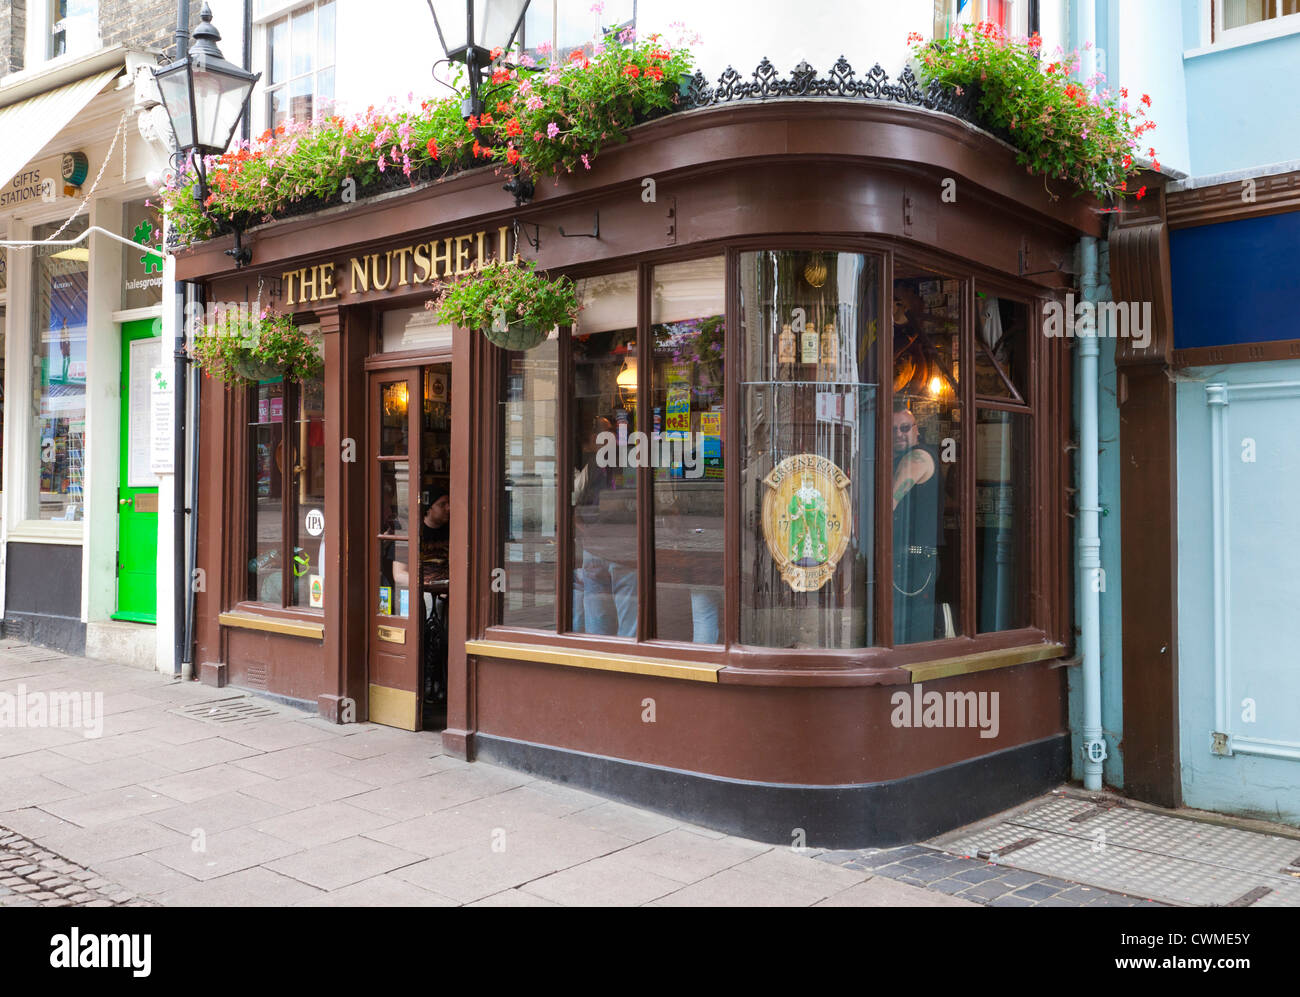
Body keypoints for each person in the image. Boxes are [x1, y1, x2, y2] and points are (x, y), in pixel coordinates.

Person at [892, 401, 940, 643]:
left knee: (907, 636)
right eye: (893, 430)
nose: (899, 434)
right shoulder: (901, 458)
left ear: (916, 429)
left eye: (904, 428)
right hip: (908, 559)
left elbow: (888, 502)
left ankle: (914, 682)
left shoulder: (917, 458)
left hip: (913, 561)